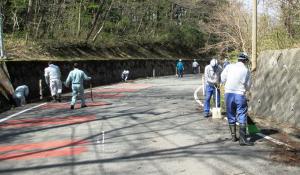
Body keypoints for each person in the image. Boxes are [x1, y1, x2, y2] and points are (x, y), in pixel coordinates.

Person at [221, 52, 253, 146]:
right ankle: (242, 139)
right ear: (246, 60)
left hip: (228, 94)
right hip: (239, 95)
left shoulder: (229, 67)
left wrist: (226, 85)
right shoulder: (246, 70)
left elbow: (222, 78)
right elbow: (248, 86)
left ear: (238, 59)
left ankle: (233, 136)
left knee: (230, 114)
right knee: (242, 114)